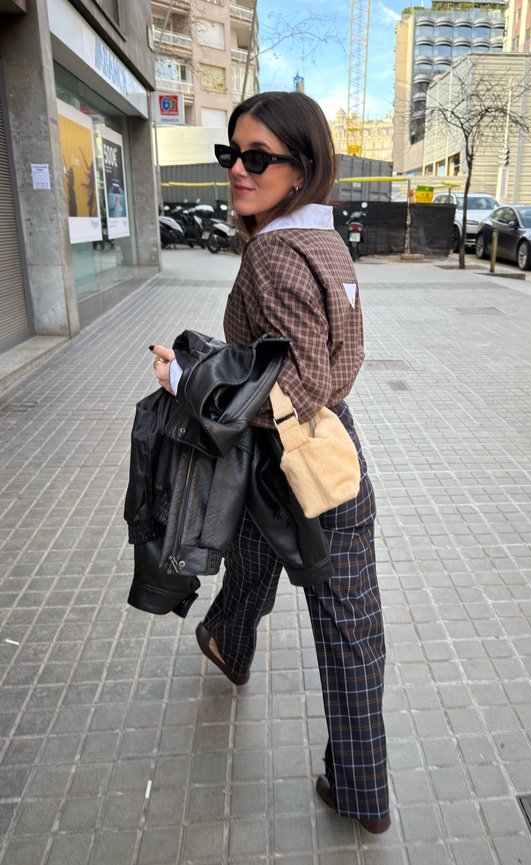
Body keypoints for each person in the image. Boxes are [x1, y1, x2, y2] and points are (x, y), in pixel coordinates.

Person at [150, 91, 390, 834]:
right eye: (232, 154)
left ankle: (359, 790)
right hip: (320, 457)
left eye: (259, 157)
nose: (239, 170)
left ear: (303, 166)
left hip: (302, 465)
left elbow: (299, 383)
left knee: (343, 623)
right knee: (262, 562)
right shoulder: (327, 241)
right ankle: (228, 640)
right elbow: (324, 362)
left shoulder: (276, 252)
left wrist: (185, 380)